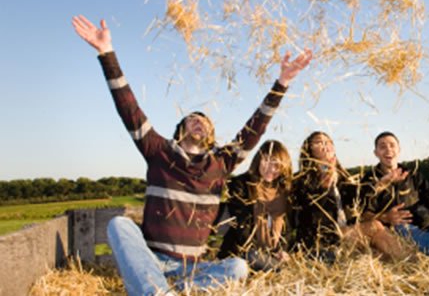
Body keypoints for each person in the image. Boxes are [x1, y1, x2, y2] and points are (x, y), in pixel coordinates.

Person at [72, 15, 312, 295]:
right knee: (119, 224)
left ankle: (161, 291)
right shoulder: (159, 151)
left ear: (211, 133)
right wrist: (106, 53)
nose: (200, 122)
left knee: (237, 268)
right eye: (193, 119)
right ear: (180, 129)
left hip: (193, 269)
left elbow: (255, 128)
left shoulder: (221, 163)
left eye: (205, 121)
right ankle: (159, 290)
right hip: (152, 261)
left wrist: (281, 82)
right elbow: (129, 108)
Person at [293, 131, 408, 261]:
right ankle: (409, 261)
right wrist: (323, 190)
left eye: (329, 142)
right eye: (319, 142)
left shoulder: (341, 177)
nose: (325, 145)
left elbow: (357, 196)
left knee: (378, 245)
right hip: (321, 238)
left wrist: (382, 183)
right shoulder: (302, 180)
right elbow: (307, 216)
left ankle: (410, 263)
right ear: (309, 150)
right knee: (375, 226)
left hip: (345, 234)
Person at [215, 140, 294, 271]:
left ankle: (273, 265)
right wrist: (260, 252)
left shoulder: (284, 191)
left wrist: (282, 251)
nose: (271, 168)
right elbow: (242, 228)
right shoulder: (240, 184)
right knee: (266, 263)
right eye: (267, 160)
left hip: (271, 254)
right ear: (258, 159)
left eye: (277, 164)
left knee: (284, 266)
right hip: (245, 252)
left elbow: (287, 229)